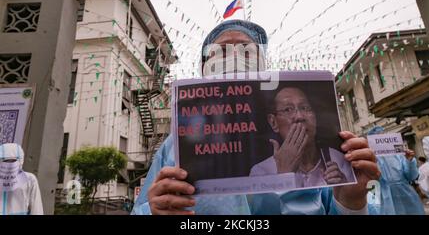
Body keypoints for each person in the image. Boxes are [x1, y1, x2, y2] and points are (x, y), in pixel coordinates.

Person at [132, 19, 380, 215]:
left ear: (264, 63)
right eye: (221, 50)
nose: (234, 56)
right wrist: (156, 210)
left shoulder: (314, 147)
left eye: (246, 50)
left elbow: (336, 207)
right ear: (203, 67)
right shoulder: (176, 147)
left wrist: (352, 200)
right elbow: (145, 208)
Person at [249, 86, 355, 188]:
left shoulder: (341, 160)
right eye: (288, 109)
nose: (300, 117)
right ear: (273, 123)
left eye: (305, 108)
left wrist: (344, 191)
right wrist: (284, 175)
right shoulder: (261, 172)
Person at [366, 126, 425, 215]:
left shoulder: (398, 154)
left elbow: (411, 176)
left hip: (406, 195)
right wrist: (373, 207)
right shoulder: (368, 158)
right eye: (377, 138)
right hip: (382, 198)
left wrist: (409, 161)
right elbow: (370, 185)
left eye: (382, 136)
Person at [0, 143, 43, 215]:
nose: (9, 165)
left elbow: (36, 208)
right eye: (5, 161)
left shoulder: (29, 179)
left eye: (13, 161)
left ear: (20, 160)